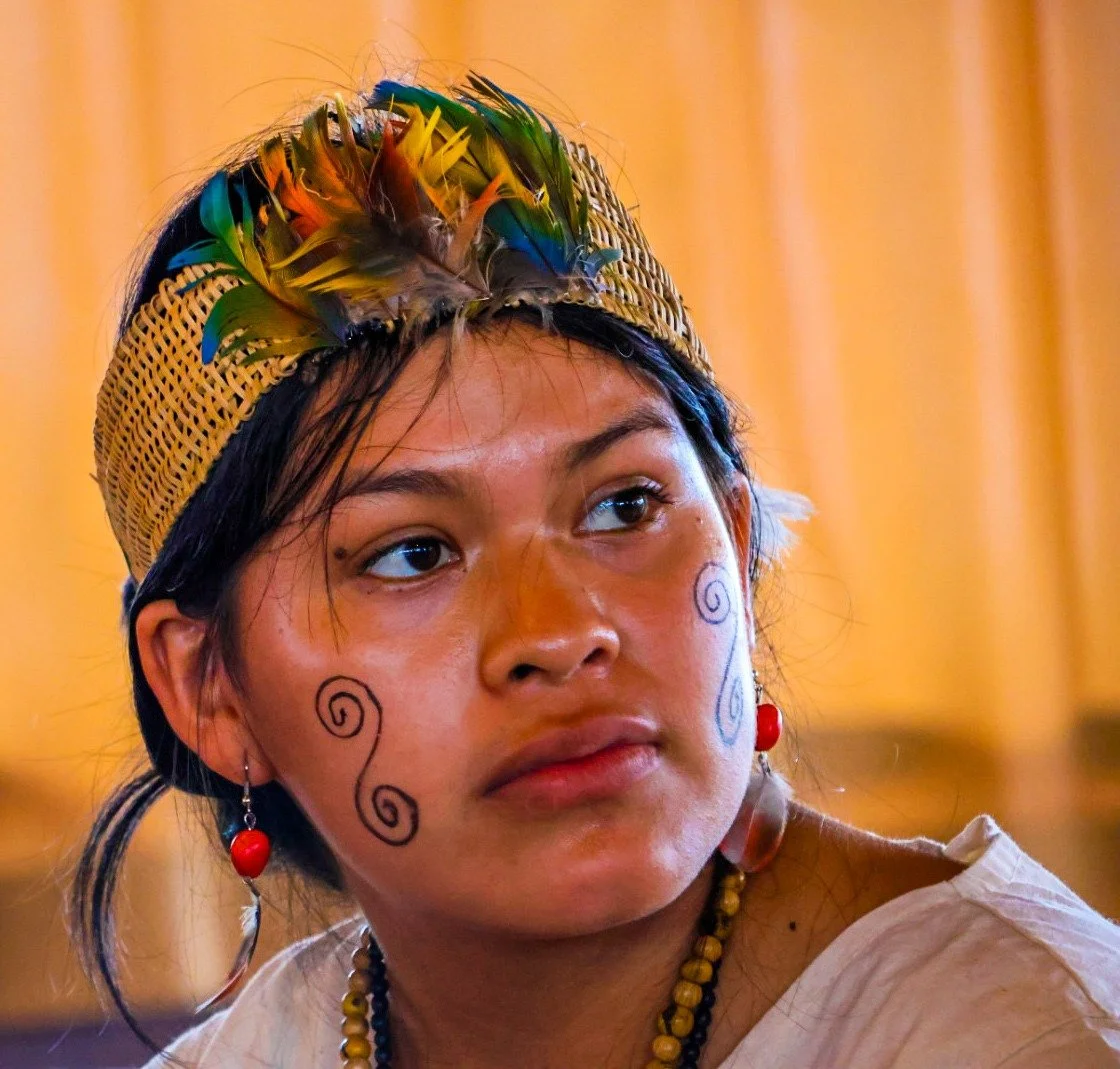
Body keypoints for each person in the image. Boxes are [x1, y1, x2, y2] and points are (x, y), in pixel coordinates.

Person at [74, 73, 1119, 1069]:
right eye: (411, 554)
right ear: (209, 685)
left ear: (738, 548)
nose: (561, 631)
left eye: (625, 506)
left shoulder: (1020, 1034)